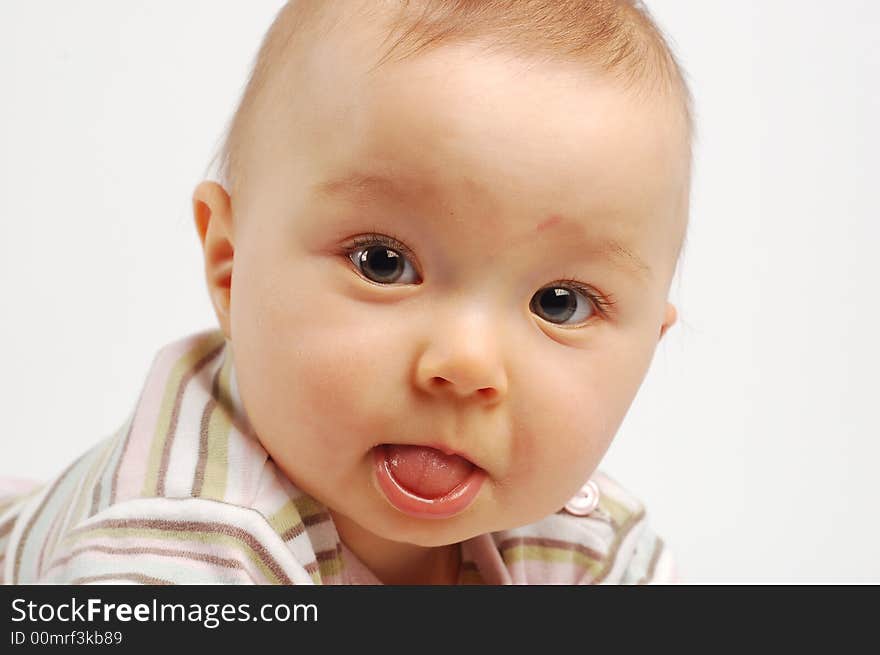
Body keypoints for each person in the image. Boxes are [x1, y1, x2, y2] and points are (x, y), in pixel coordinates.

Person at [1, 0, 693, 585]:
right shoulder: (172, 548)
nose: (466, 363)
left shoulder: (583, 539)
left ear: (648, 349)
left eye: (558, 303)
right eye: (384, 262)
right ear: (230, 266)